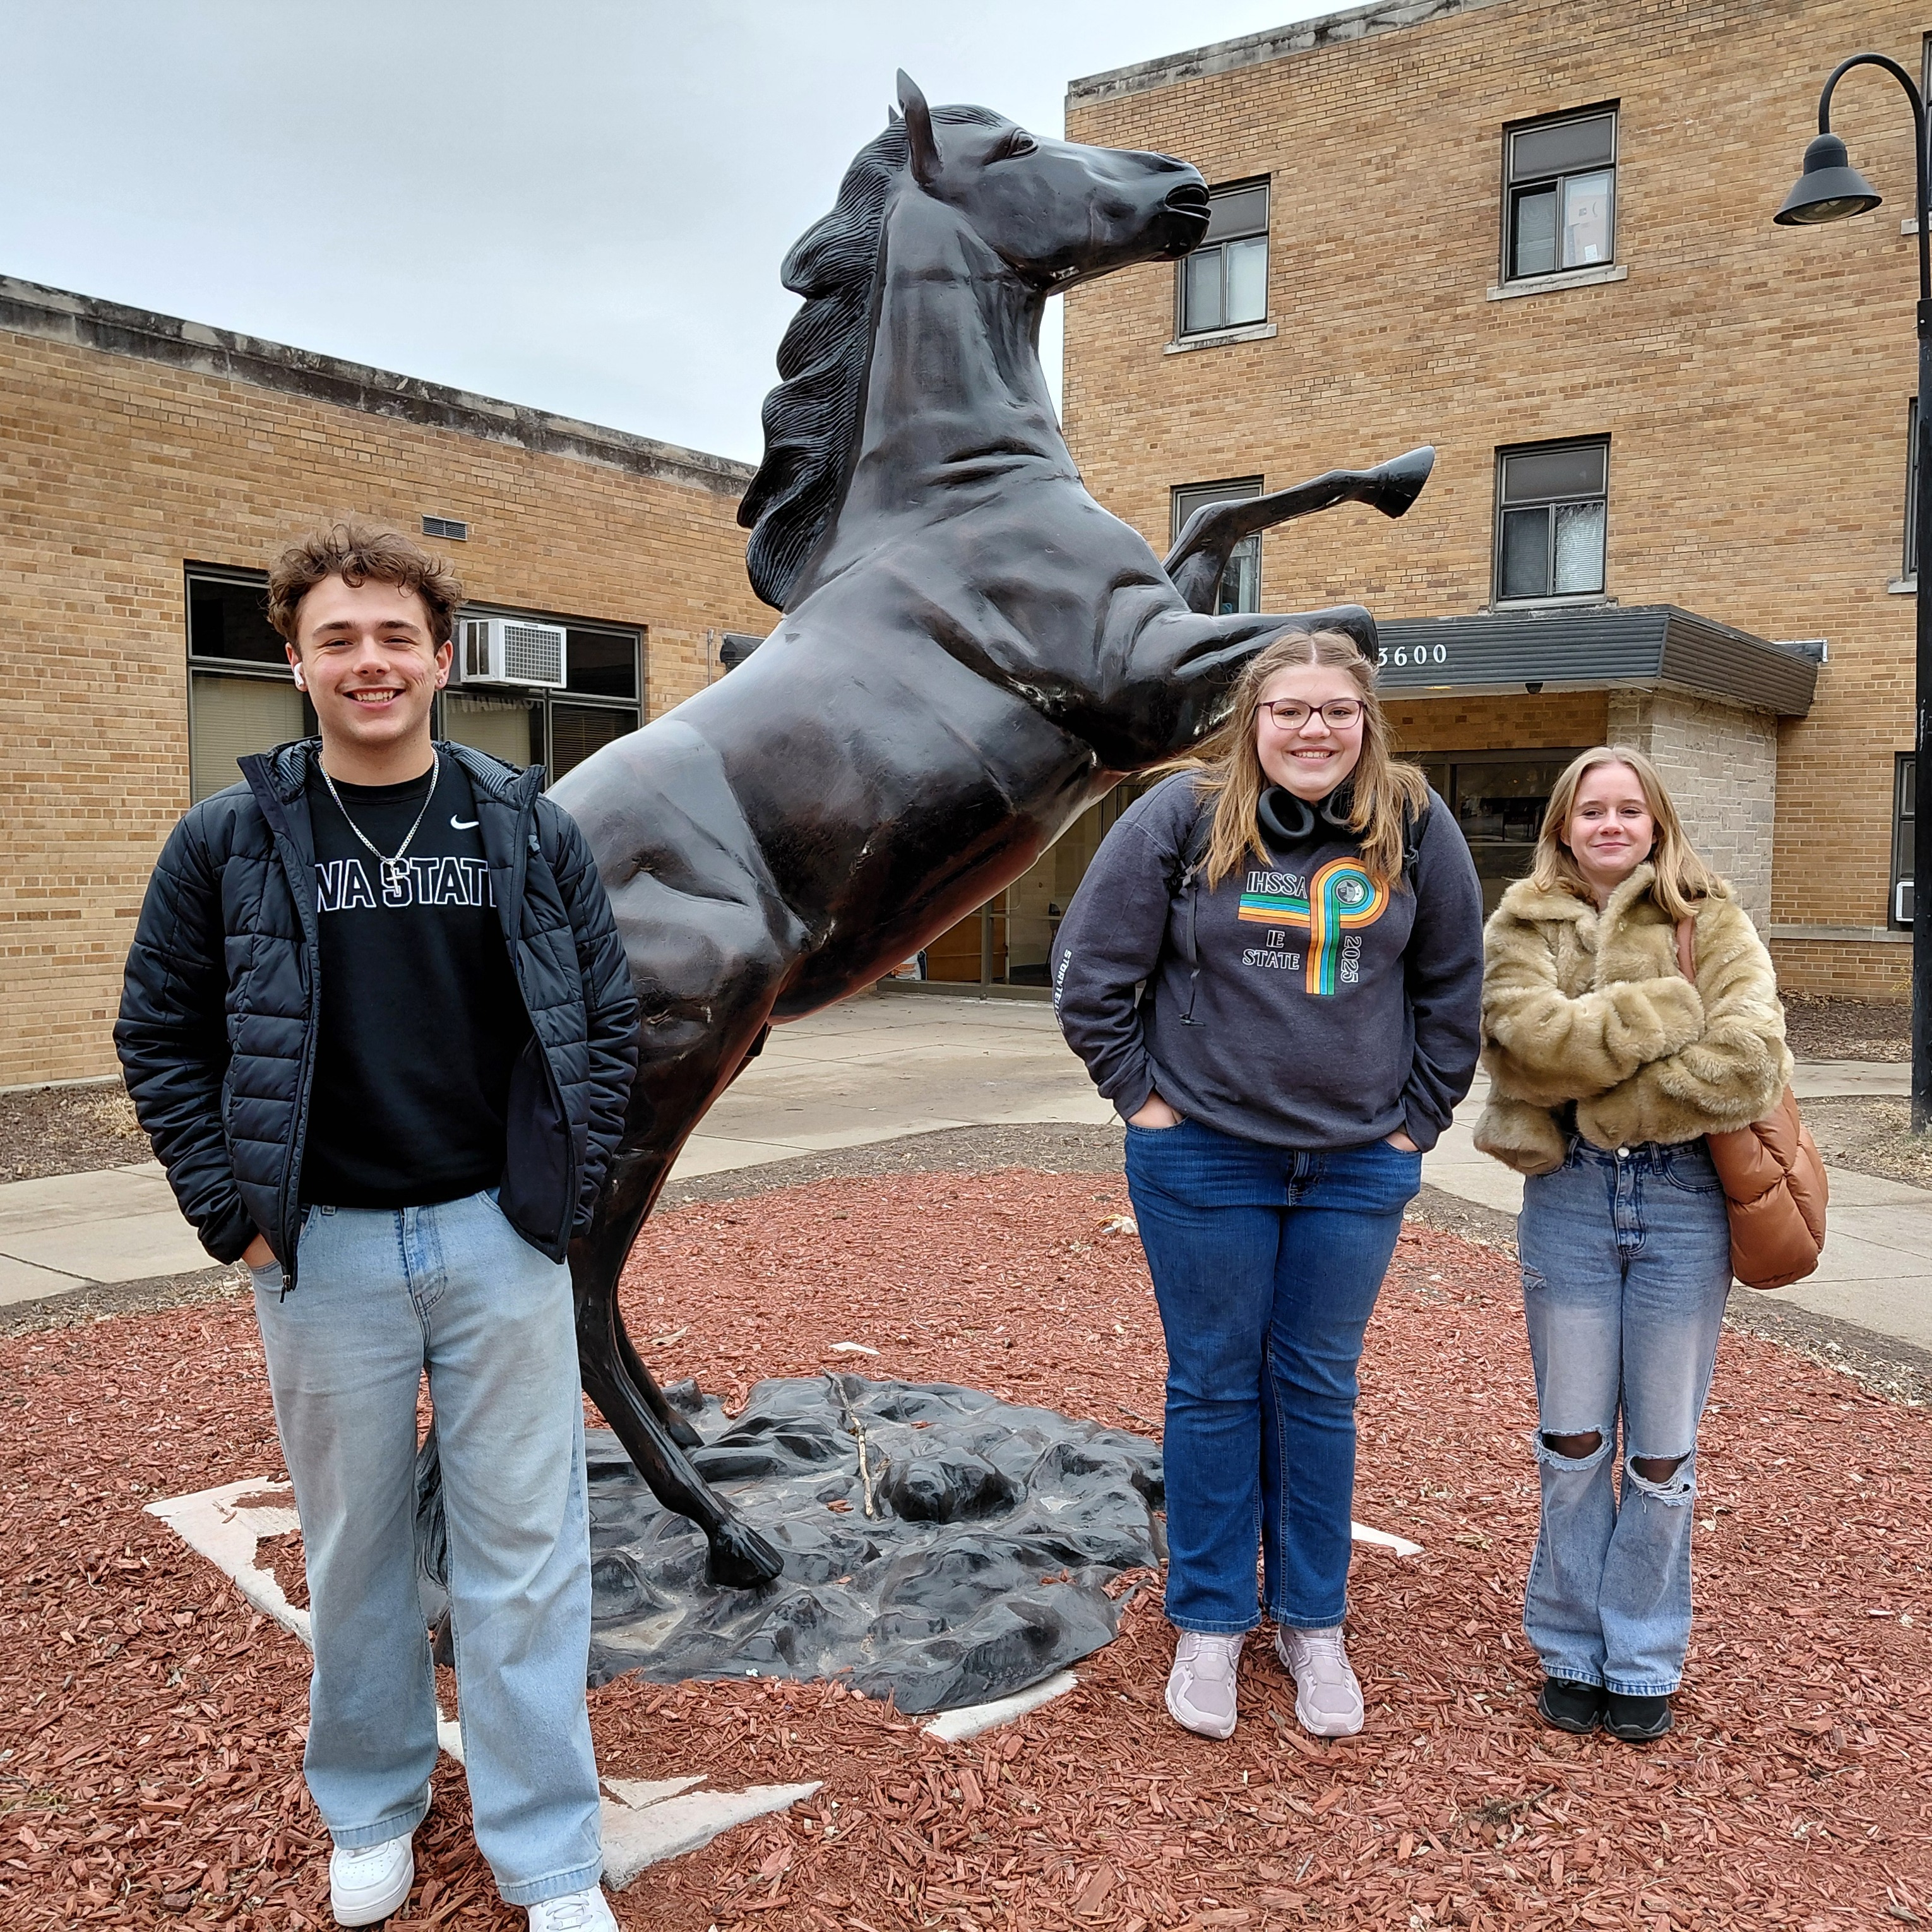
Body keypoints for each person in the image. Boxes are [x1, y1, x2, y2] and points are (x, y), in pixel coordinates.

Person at [116, 523, 640, 1929]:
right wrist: (236, 1220)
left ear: (442, 658)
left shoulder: (523, 824)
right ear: (294, 660)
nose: (370, 663)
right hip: (322, 1251)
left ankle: (547, 1855)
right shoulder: (227, 840)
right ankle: (370, 1805)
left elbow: (605, 1019)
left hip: (496, 1239)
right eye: (338, 638)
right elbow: (157, 1032)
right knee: (353, 1552)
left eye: (395, 636)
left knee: (526, 1554)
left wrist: (563, 1202)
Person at [1052, 629, 1484, 1740]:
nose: (1314, 730)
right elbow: (1092, 977)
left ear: (1366, 720)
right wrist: (1147, 1104)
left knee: (1317, 1388)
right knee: (1211, 1385)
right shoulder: (1182, 816)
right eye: (1290, 709)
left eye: (1337, 710)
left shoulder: (1416, 822)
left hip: (1355, 1165)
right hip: (1205, 1155)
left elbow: (1452, 989)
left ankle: (1311, 1620)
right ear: (1253, 720)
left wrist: (1413, 1129)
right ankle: (1209, 1618)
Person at [1473, 746, 1787, 1743]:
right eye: (1592, 811)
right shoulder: (1520, 922)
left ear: (1656, 824)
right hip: (1567, 1201)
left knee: (1661, 1451)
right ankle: (1569, 1644)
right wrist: (1665, 1014)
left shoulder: (1712, 919)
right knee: (1571, 1440)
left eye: (1630, 811)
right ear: (1563, 826)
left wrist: (1597, 1082)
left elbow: (1749, 1060)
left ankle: (1643, 1651)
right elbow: (1521, 1041)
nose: (1611, 826)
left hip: (1687, 1203)